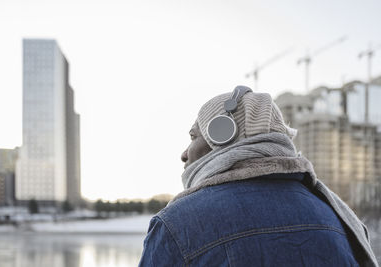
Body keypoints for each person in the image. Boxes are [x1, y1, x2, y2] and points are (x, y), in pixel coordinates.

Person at [139, 86, 378, 267]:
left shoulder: (176, 224)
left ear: (221, 136)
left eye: (193, 137)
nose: (184, 154)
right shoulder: (338, 219)